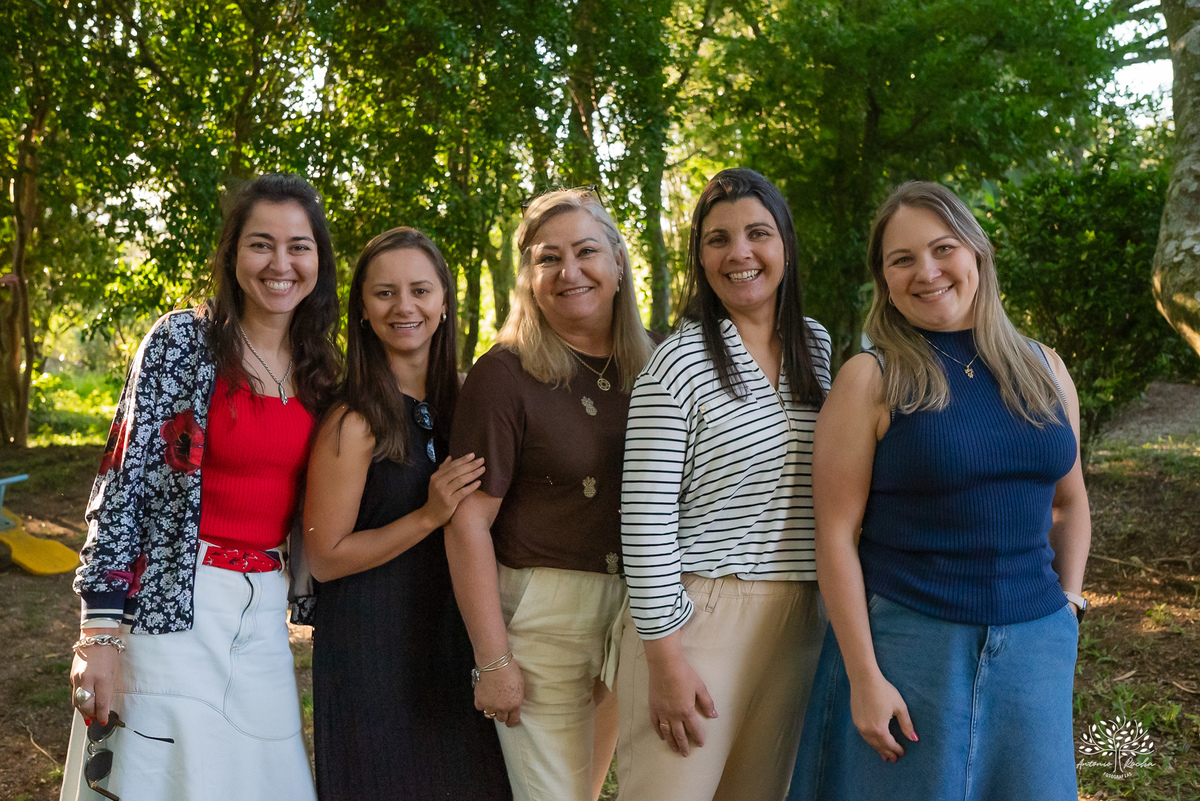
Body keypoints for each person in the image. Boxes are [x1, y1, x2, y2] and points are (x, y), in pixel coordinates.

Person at [788, 181, 1090, 801]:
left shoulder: (1046, 368)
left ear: (976, 253)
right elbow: (836, 535)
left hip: (1036, 644)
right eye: (902, 260)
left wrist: (1070, 607)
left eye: (942, 248)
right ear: (885, 279)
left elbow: (1070, 501)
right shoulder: (871, 378)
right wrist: (864, 676)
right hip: (912, 646)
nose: (926, 272)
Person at [63, 173, 341, 801]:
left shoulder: (321, 369)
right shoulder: (183, 343)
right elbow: (123, 484)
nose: (281, 263)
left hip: (264, 613)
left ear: (318, 261)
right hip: (169, 610)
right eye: (260, 244)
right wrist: (99, 637)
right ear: (232, 255)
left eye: (299, 246)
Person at [617, 167, 832, 801]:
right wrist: (665, 658)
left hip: (798, 620)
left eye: (757, 233)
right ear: (700, 258)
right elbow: (644, 518)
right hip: (697, 615)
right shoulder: (678, 363)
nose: (739, 253)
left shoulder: (816, 349)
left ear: (785, 247)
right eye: (717, 239)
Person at [444, 187, 657, 801]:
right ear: (528, 278)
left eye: (587, 251)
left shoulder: (652, 368)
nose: (570, 272)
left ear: (618, 263)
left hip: (633, 611)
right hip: (544, 613)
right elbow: (465, 524)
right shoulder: (504, 375)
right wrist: (494, 659)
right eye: (548, 258)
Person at [303, 226, 511, 800]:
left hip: (452, 635)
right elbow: (324, 558)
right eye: (385, 293)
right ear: (363, 311)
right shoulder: (354, 419)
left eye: (420, 290)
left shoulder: (467, 402)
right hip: (373, 647)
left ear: (444, 302)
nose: (405, 307)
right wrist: (427, 514)